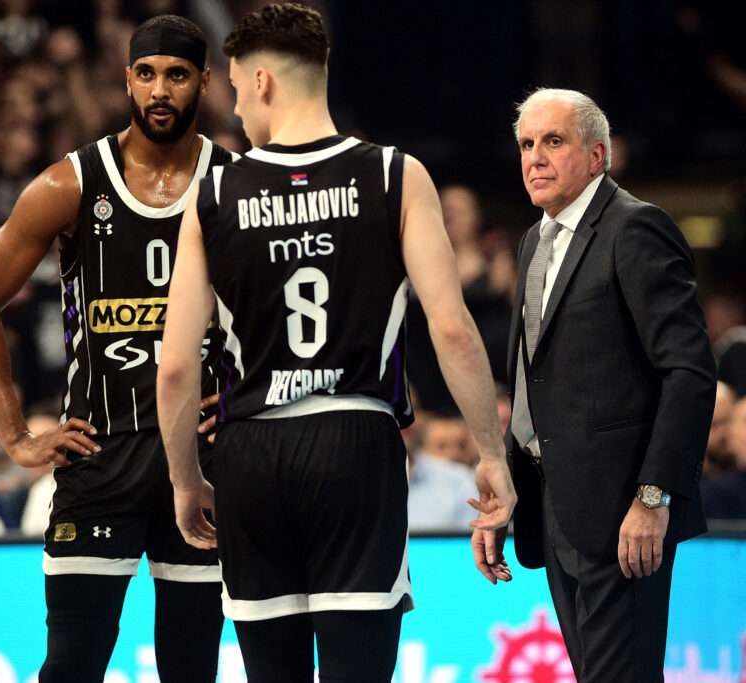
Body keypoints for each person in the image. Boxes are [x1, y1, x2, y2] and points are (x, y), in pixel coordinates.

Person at [156, 5, 516, 679]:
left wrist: (185, 478)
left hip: (250, 450)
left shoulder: (214, 193)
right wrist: (490, 454)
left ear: (261, 81)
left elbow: (175, 364)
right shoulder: (394, 175)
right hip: (356, 441)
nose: (236, 109)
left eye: (235, 90)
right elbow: (451, 328)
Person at [0, 15, 236, 682]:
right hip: (100, 457)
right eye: (147, 74)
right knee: (71, 664)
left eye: (176, 75)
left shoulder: (235, 181)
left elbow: (280, 312)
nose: (160, 90)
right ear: (126, 80)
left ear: (203, 82)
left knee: (192, 669)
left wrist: (247, 394)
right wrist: (15, 434)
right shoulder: (73, 182)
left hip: (205, 457)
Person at [482, 87, 716, 682]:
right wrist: (506, 491)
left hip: (624, 515)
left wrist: (654, 496)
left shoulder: (635, 228)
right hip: (555, 508)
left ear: (596, 156)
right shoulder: (534, 240)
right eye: (526, 145)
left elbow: (688, 371)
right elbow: (534, 384)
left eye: (553, 141)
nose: (535, 157)